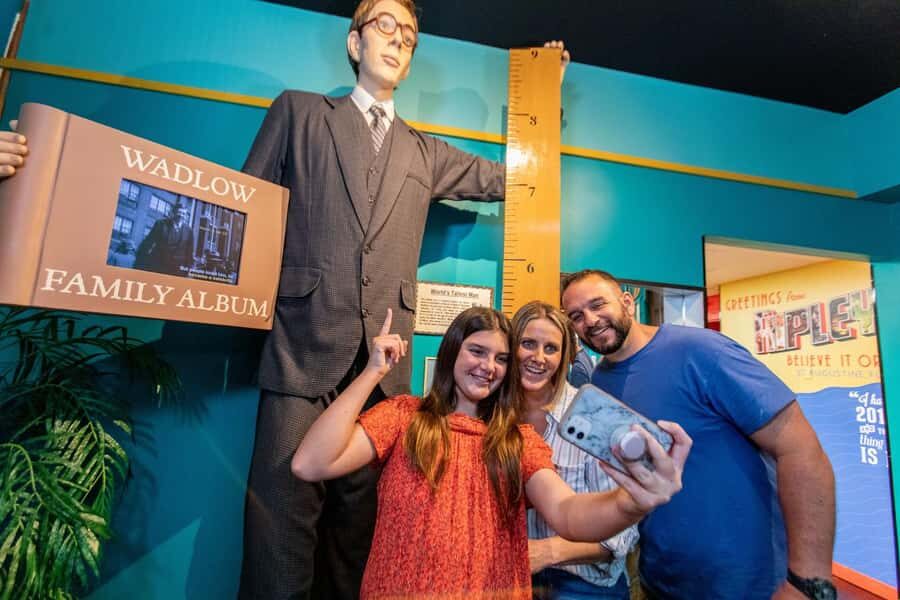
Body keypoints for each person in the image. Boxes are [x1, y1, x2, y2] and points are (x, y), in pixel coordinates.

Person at [237, 0, 571, 596]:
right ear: (355, 42)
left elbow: (514, 179)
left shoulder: (425, 152)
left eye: (409, 36)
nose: (397, 40)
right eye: (385, 26)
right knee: (278, 527)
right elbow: (249, 209)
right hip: (298, 350)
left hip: (383, 365)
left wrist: (549, 101)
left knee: (359, 534)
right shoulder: (299, 113)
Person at [291, 306, 691, 599]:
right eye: (477, 351)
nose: (489, 367)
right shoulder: (404, 416)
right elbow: (311, 463)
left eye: (501, 358)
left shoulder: (517, 441)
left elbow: (567, 513)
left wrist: (632, 502)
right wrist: (372, 372)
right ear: (453, 351)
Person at [560, 269, 837, 600]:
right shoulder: (600, 385)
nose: (590, 320)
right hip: (663, 581)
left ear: (627, 303)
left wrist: (808, 580)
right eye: (577, 316)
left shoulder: (700, 351)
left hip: (752, 583)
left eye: (598, 305)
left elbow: (800, 448)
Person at [511, 301, 637, 600]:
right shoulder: (493, 417)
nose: (538, 358)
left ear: (566, 357)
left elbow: (622, 535)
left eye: (551, 348)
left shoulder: (596, 416)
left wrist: (548, 551)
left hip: (582, 583)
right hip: (510, 576)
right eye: (528, 344)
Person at [133, 202, 194, 276]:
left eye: (183, 214)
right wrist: (139, 261)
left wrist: (187, 269)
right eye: (179, 212)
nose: (181, 215)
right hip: (158, 266)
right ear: (174, 212)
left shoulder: (189, 231)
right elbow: (148, 242)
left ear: (186, 216)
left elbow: (189, 252)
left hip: (177, 270)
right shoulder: (161, 224)